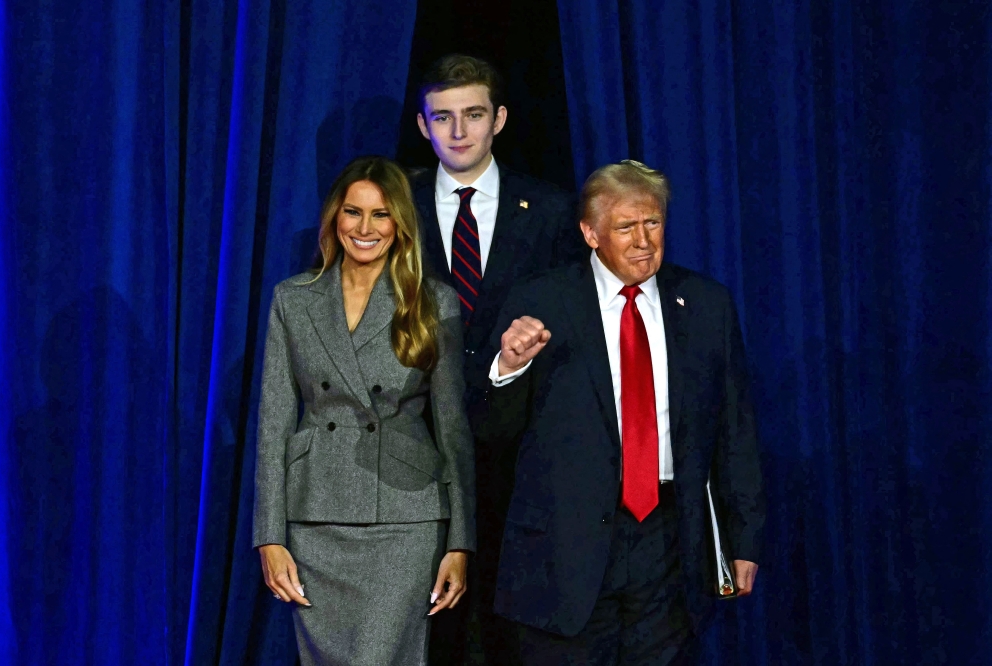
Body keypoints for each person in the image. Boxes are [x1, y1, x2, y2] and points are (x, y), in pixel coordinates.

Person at [477, 160, 766, 664]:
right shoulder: (540, 300)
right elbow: (490, 431)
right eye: (625, 227)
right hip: (565, 550)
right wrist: (507, 367)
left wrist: (744, 539)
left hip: (669, 544)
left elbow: (734, 430)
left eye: (652, 223)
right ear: (590, 233)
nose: (643, 241)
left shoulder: (705, 304)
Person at [252, 156, 477, 665]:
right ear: (334, 217)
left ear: (400, 224)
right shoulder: (293, 299)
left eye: (381, 214)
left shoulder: (431, 301)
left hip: (405, 520)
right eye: (353, 212)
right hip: (314, 517)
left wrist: (460, 543)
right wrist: (270, 535)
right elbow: (273, 425)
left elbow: (453, 429)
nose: (365, 228)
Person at [411, 53, 586, 665]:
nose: (459, 132)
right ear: (422, 125)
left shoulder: (551, 211)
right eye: (443, 117)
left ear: (500, 119)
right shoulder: (391, 206)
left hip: (517, 456)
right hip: (413, 454)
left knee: (506, 632)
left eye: (474, 115)